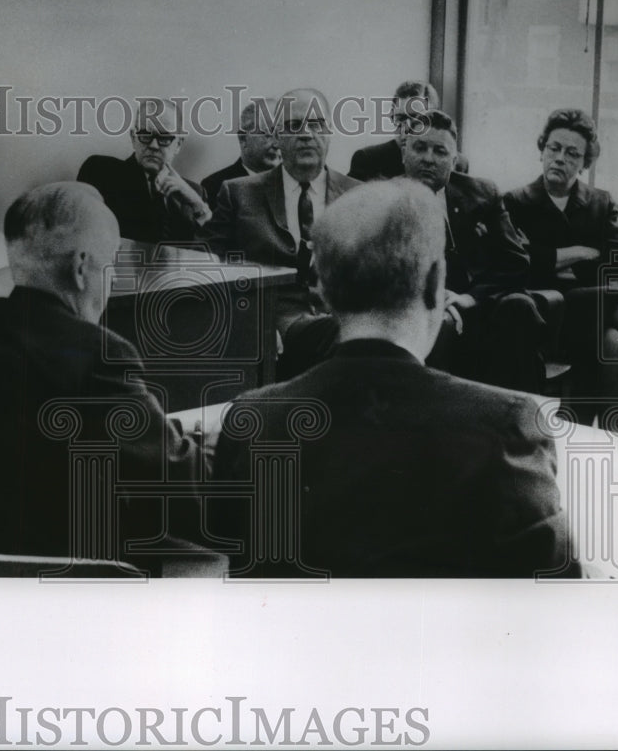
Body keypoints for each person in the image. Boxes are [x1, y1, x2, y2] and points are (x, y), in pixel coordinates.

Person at [208, 178, 580, 578]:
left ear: (324, 291)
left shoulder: (251, 422)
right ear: (435, 284)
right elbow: (557, 594)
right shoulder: (509, 427)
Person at [0, 181, 205, 562]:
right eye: (109, 265)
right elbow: (176, 492)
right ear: (81, 267)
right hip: (74, 587)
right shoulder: (99, 353)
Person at [284, 110, 542, 393]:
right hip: (413, 305)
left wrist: (468, 298)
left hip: (476, 302)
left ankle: (519, 408)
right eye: (419, 148)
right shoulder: (383, 199)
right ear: (404, 153)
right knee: (435, 324)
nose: (428, 158)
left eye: (439, 151)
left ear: (454, 161)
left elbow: (516, 263)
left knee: (520, 306)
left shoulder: (482, 193)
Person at [503, 108, 618, 432]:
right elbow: (517, 263)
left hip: (590, 312)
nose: (560, 158)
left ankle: (614, 441)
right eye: (554, 148)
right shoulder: (515, 202)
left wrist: (548, 258)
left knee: (613, 343)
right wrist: (577, 252)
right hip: (546, 315)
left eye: (572, 153)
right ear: (542, 150)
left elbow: (614, 262)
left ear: (584, 163)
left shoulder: (600, 202)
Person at [201, 88, 358, 335]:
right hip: (269, 328)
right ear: (277, 136)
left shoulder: (358, 196)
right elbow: (207, 267)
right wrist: (250, 322)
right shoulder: (238, 193)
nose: (306, 134)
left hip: (345, 325)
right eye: (294, 126)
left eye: (316, 124)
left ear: (329, 131)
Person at [77, 98, 211, 243]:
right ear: (133, 138)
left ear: (178, 144)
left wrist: (199, 207)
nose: (153, 145)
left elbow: (214, 251)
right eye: (145, 135)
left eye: (164, 138)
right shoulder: (101, 171)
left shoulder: (195, 193)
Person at [349, 80, 469, 181]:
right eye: (401, 118)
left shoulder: (457, 164)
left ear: (435, 118)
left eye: (419, 119)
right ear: (392, 118)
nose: (407, 128)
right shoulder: (368, 161)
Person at [200, 99, 281, 207]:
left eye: (282, 135)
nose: (277, 145)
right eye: (268, 135)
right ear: (243, 139)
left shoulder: (295, 183)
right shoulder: (215, 186)